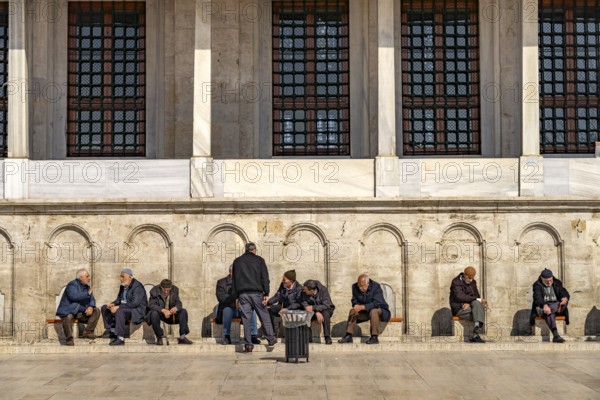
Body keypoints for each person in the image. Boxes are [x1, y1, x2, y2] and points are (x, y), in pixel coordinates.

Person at [232, 242, 277, 352]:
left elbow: (234, 281)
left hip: (243, 294)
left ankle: (248, 345)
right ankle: (271, 338)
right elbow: (265, 278)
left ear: (246, 250)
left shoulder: (237, 261)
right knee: (264, 316)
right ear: (254, 249)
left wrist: (236, 297)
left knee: (246, 319)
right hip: (257, 293)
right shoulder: (259, 260)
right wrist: (266, 293)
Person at [338, 274, 390, 345]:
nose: (360, 288)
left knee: (374, 311)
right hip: (366, 312)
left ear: (368, 283)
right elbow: (354, 300)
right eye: (359, 286)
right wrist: (355, 305)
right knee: (353, 311)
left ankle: (374, 337)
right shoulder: (354, 287)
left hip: (381, 311)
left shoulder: (376, 287)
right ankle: (348, 335)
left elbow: (377, 303)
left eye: (362, 286)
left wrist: (362, 307)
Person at [100, 269, 147, 346]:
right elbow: (119, 299)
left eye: (123, 276)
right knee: (105, 308)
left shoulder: (137, 287)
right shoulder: (123, 286)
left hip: (137, 311)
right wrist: (112, 304)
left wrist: (118, 307)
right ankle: (112, 331)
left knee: (119, 311)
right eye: (120, 277)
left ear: (130, 277)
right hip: (126, 308)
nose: (120, 278)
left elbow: (134, 303)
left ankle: (120, 338)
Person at [215, 265, 260, 345]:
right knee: (226, 310)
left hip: (242, 308)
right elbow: (221, 298)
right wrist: (234, 297)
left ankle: (253, 335)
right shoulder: (221, 282)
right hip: (230, 308)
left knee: (252, 311)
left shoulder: (245, 282)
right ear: (230, 272)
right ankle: (226, 336)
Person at [56, 269, 100, 346]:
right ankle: (69, 339)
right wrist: (87, 293)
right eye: (87, 276)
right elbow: (74, 297)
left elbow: (92, 299)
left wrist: (91, 307)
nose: (89, 278)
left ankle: (88, 332)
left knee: (96, 311)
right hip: (69, 311)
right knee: (68, 317)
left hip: (80, 313)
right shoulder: (72, 285)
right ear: (80, 277)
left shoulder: (87, 287)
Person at [146, 279, 193, 345]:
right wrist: (163, 310)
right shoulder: (154, 290)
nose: (166, 292)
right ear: (160, 287)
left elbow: (179, 303)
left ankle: (182, 337)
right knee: (153, 313)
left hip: (172, 315)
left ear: (170, 288)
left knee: (183, 311)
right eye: (164, 290)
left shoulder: (175, 290)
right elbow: (151, 305)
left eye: (168, 290)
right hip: (160, 314)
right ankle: (159, 337)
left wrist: (175, 308)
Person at [529, 268, 570, 343]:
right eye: (546, 281)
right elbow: (537, 297)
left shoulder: (557, 282)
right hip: (543, 307)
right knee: (549, 312)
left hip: (557, 306)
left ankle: (556, 336)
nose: (549, 282)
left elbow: (564, 292)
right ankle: (556, 336)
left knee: (559, 304)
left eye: (550, 280)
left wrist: (565, 298)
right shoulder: (537, 285)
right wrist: (544, 305)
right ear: (541, 278)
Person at [449, 266, 488, 343]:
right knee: (479, 311)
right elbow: (459, 296)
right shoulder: (456, 282)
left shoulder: (473, 282)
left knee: (478, 304)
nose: (471, 280)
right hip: (459, 309)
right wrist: (466, 302)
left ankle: (476, 329)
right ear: (464, 275)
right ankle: (475, 335)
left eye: (472, 278)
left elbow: (477, 296)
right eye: (469, 278)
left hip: (469, 307)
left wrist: (469, 303)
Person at [301, 279, 335, 345]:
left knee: (325, 313)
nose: (304, 291)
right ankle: (308, 337)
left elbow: (326, 305)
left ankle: (327, 337)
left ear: (312, 291)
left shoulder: (323, 290)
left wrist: (314, 308)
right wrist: (316, 311)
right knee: (305, 314)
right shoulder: (303, 291)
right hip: (313, 311)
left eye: (306, 290)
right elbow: (305, 304)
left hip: (326, 309)